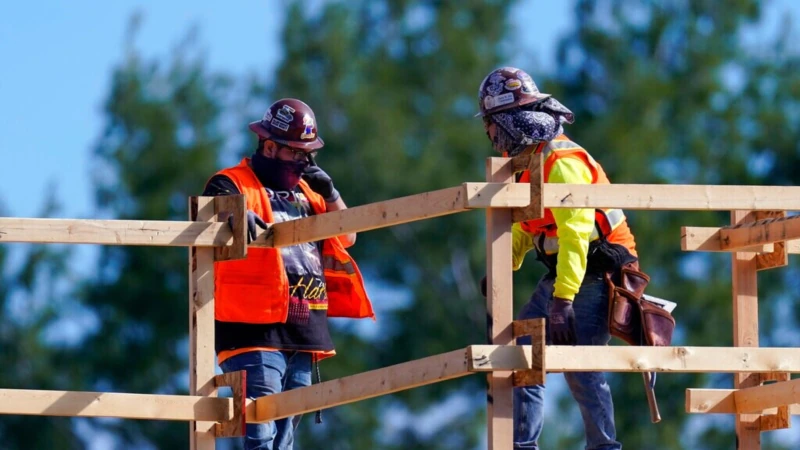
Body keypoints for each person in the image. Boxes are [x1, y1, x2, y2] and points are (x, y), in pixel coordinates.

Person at [476, 67, 639, 450]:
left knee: (581, 365)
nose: (489, 133)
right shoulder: (526, 164)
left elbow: (577, 234)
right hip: (569, 272)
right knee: (524, 355)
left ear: (508, 122)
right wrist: (501, 268)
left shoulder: (559, 161)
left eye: (490, 124)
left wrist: (563, 301)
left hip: (599, 272)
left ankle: (604, 447)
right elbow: (523, 225)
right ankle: (523, 445)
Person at [203, 98, 374, 450]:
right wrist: (232, 215)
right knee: (260, 430)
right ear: (268, 146)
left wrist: (331, 193)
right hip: (252, 328)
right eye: (295, 153)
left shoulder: (309, 192)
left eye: (307, 154)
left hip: (303, 330)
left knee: (284, 437)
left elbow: (347, 235)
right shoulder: (231, 183)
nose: (304, 162)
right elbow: (210, 213)